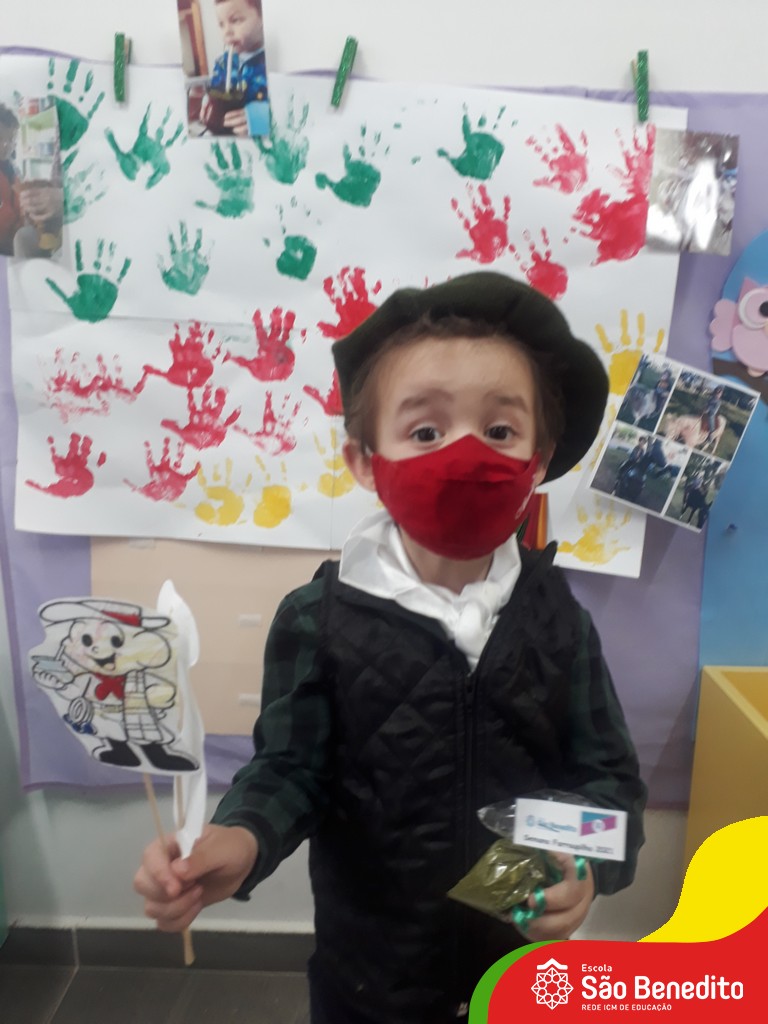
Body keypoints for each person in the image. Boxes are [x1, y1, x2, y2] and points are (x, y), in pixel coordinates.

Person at [135, 272, 647, 1023]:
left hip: (522, 978)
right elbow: (291, 770)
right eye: (426, 432)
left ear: (537, 461)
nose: (465, 454)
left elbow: (611, 788)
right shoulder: (317, 618)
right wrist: (240, 840)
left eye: (499, 431)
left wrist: (584, 869)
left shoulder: (558, 619)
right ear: (365, 462)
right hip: (371, 984)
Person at [204, 0, 269, 137]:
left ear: (263, 17)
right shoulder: (223, 63)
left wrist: (263, 119)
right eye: (221, 24)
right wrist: (208, 102)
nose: (227, 32)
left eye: (235, 20)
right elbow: (215, 89)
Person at [0, 104, 21, 256]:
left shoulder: (14, 172)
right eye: (0, 138)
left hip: (13, 250)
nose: (6, 146)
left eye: (11, 140)